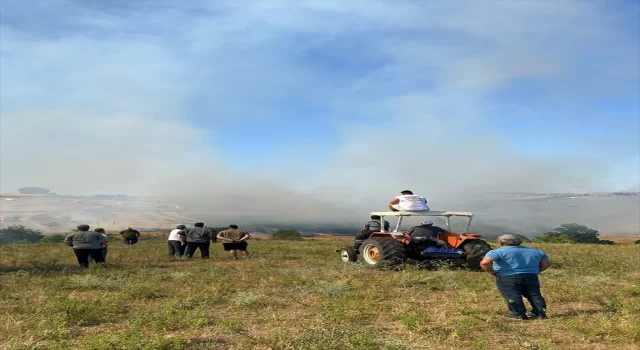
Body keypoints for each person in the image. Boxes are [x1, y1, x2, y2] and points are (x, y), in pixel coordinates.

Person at [480, 234, 551, 320]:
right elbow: (546, 264)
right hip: (531, 275)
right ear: (519, 242)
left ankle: (518, 313)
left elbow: (484, 263)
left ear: (501, 243)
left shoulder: (496, 252)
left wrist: (492, 272)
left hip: (507, 276)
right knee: (534, 294)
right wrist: (537, 271)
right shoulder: (536, 251)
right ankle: (540, 313)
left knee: (513, 295)